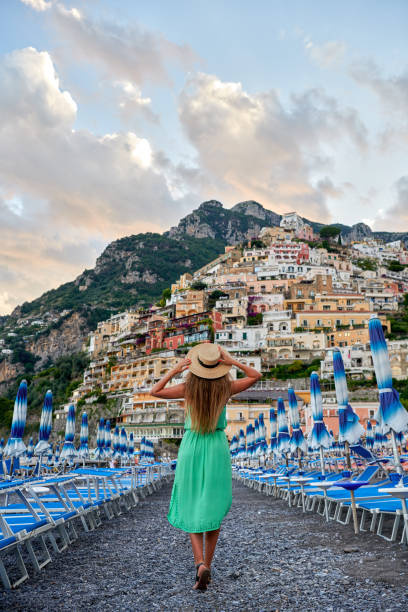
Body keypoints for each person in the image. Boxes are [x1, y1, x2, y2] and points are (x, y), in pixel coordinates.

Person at [151, 342, 261, 591]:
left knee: (190, 504)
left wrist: (175, 370)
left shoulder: (188, 388)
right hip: (216, 446)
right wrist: (232, 362)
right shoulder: (226, 388)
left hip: (191, 446)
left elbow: (155, 391)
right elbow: (256, 376)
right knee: (212, 506)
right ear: (217, 368)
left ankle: (199, 564)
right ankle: (207, 564)